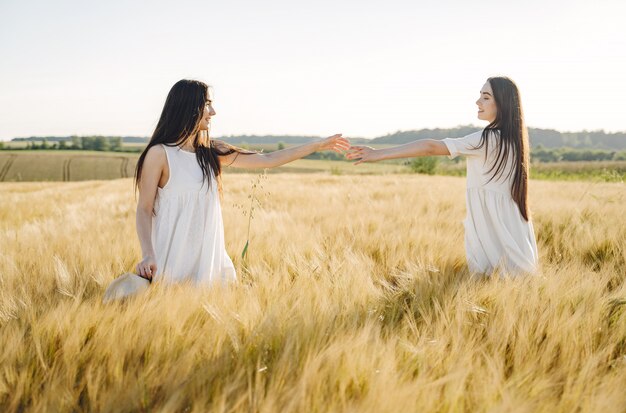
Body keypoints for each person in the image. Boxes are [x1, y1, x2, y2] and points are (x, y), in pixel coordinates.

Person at [134, 79, 350, 286]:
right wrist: (148, 255)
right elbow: (144, 209)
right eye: (207, 104)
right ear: (188, 107)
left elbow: (268, 159)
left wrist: (316, 146)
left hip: (209, 268)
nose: (213, 112)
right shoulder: (160, 154)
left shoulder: (211, 151)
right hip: (171, 265)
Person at [346, 76, 538, 276]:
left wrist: (378, 154)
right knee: (518, 280)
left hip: (495, 232)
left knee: (497, 278)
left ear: (503, 103)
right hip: (512, 227)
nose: (478, 101)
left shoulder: (488, 139)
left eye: (486, 97)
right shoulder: (513, 140)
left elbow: (430, 147)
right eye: (480, 95)